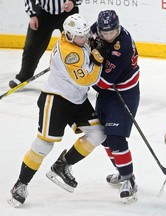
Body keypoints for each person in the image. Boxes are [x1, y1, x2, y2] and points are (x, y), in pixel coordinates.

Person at [8, 14, 106, 207]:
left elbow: (89, 43)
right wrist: (97, 62)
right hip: (56, 100)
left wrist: (92, 45)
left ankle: (63, 165)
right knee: (44, 144)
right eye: (80, 36)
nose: (84, 38)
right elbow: (86, 80)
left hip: (77, 99)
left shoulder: (77, 40)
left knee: (98, 133)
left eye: (85, 34)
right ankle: (20, 184)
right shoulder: (70, 52)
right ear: (68, 36)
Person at [89, 10, 140, 202]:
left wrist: (91, 64)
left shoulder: (123, 46)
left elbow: (102, 83)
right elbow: (86, 40)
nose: (108, 36)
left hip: (124, 93)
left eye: (112, 32)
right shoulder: (96, 29)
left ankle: (129, 179)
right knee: (103, 138)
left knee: (116, 138)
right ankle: (122, 169)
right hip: (107, 93)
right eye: (104, 33)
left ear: (118, 28)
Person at [9, 0, 83, 88]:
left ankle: (78, 77)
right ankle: (24, 76)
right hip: (43, 13)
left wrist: (73, 1)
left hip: (68, 12)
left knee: (75, 46)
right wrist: (32, 15)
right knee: (32, 47)